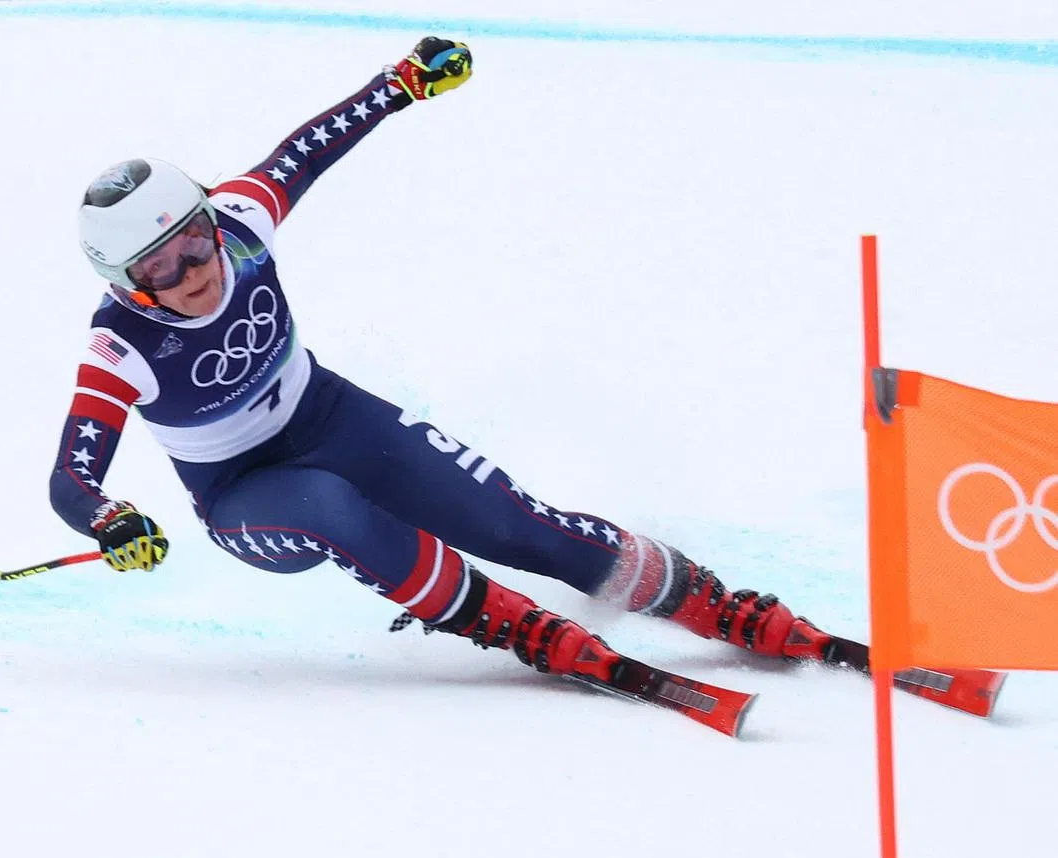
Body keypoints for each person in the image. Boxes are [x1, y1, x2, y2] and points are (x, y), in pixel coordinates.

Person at [50, 37, 830, 684]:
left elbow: (307, 150)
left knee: (515, 523)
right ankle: (515, 625)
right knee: (332, 506)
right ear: (128, 284)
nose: (195, 270)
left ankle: (710, 603)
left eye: (194, 239)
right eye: (161, 266)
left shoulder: (241, 223)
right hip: (243, 496)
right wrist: (109, 519)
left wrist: (400, 84)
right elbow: (71, 479)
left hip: (330, 416)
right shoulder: (120, 348)